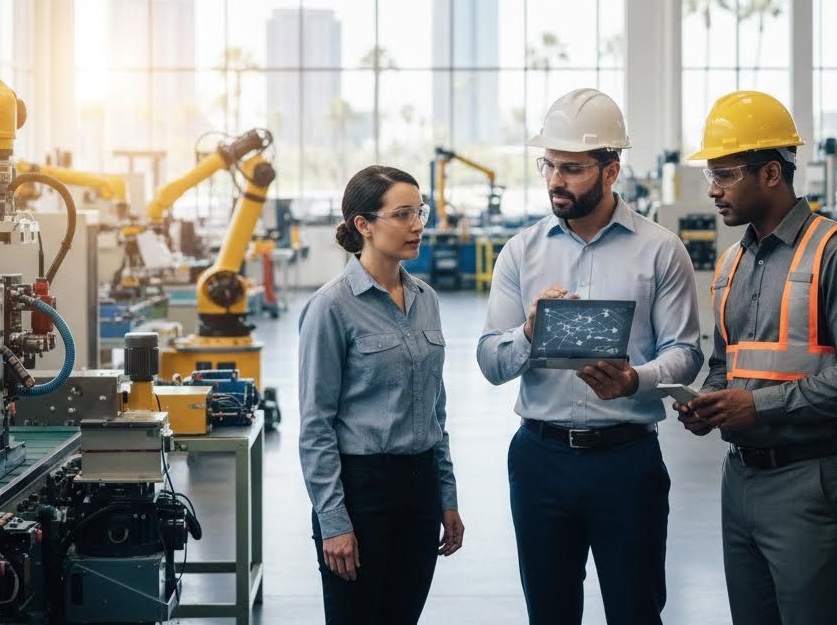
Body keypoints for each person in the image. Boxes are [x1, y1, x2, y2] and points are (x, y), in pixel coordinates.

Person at [477, 88, 703, 625]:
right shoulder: (521, 252)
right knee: (550, 613)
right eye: (549, 165)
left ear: (611, 169)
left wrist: (635, 380)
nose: (556, 180)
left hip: (627, 464)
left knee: (635, 609)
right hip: (540, 461)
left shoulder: (659, 249)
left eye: (573, 168)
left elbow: (686, 352)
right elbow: (489, 361)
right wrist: (529, 332)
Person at [675, 90, 837, 625]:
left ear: (771, 173)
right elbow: (727, 365)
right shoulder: (732, 263)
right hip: (740, 479)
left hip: (810, 479)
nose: (712, 190)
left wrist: (760, 407)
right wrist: (706, 403)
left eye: (724, 175)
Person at [297, 165, 463, 625]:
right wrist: (334, 522)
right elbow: (315, 425)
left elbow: (436, 410)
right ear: (363, 225)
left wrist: (445, 497)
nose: (417, 226)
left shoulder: (425, 298)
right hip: (362, 490)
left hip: (421, 487)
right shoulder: (331, 307)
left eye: (420, 212)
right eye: (403, 214)